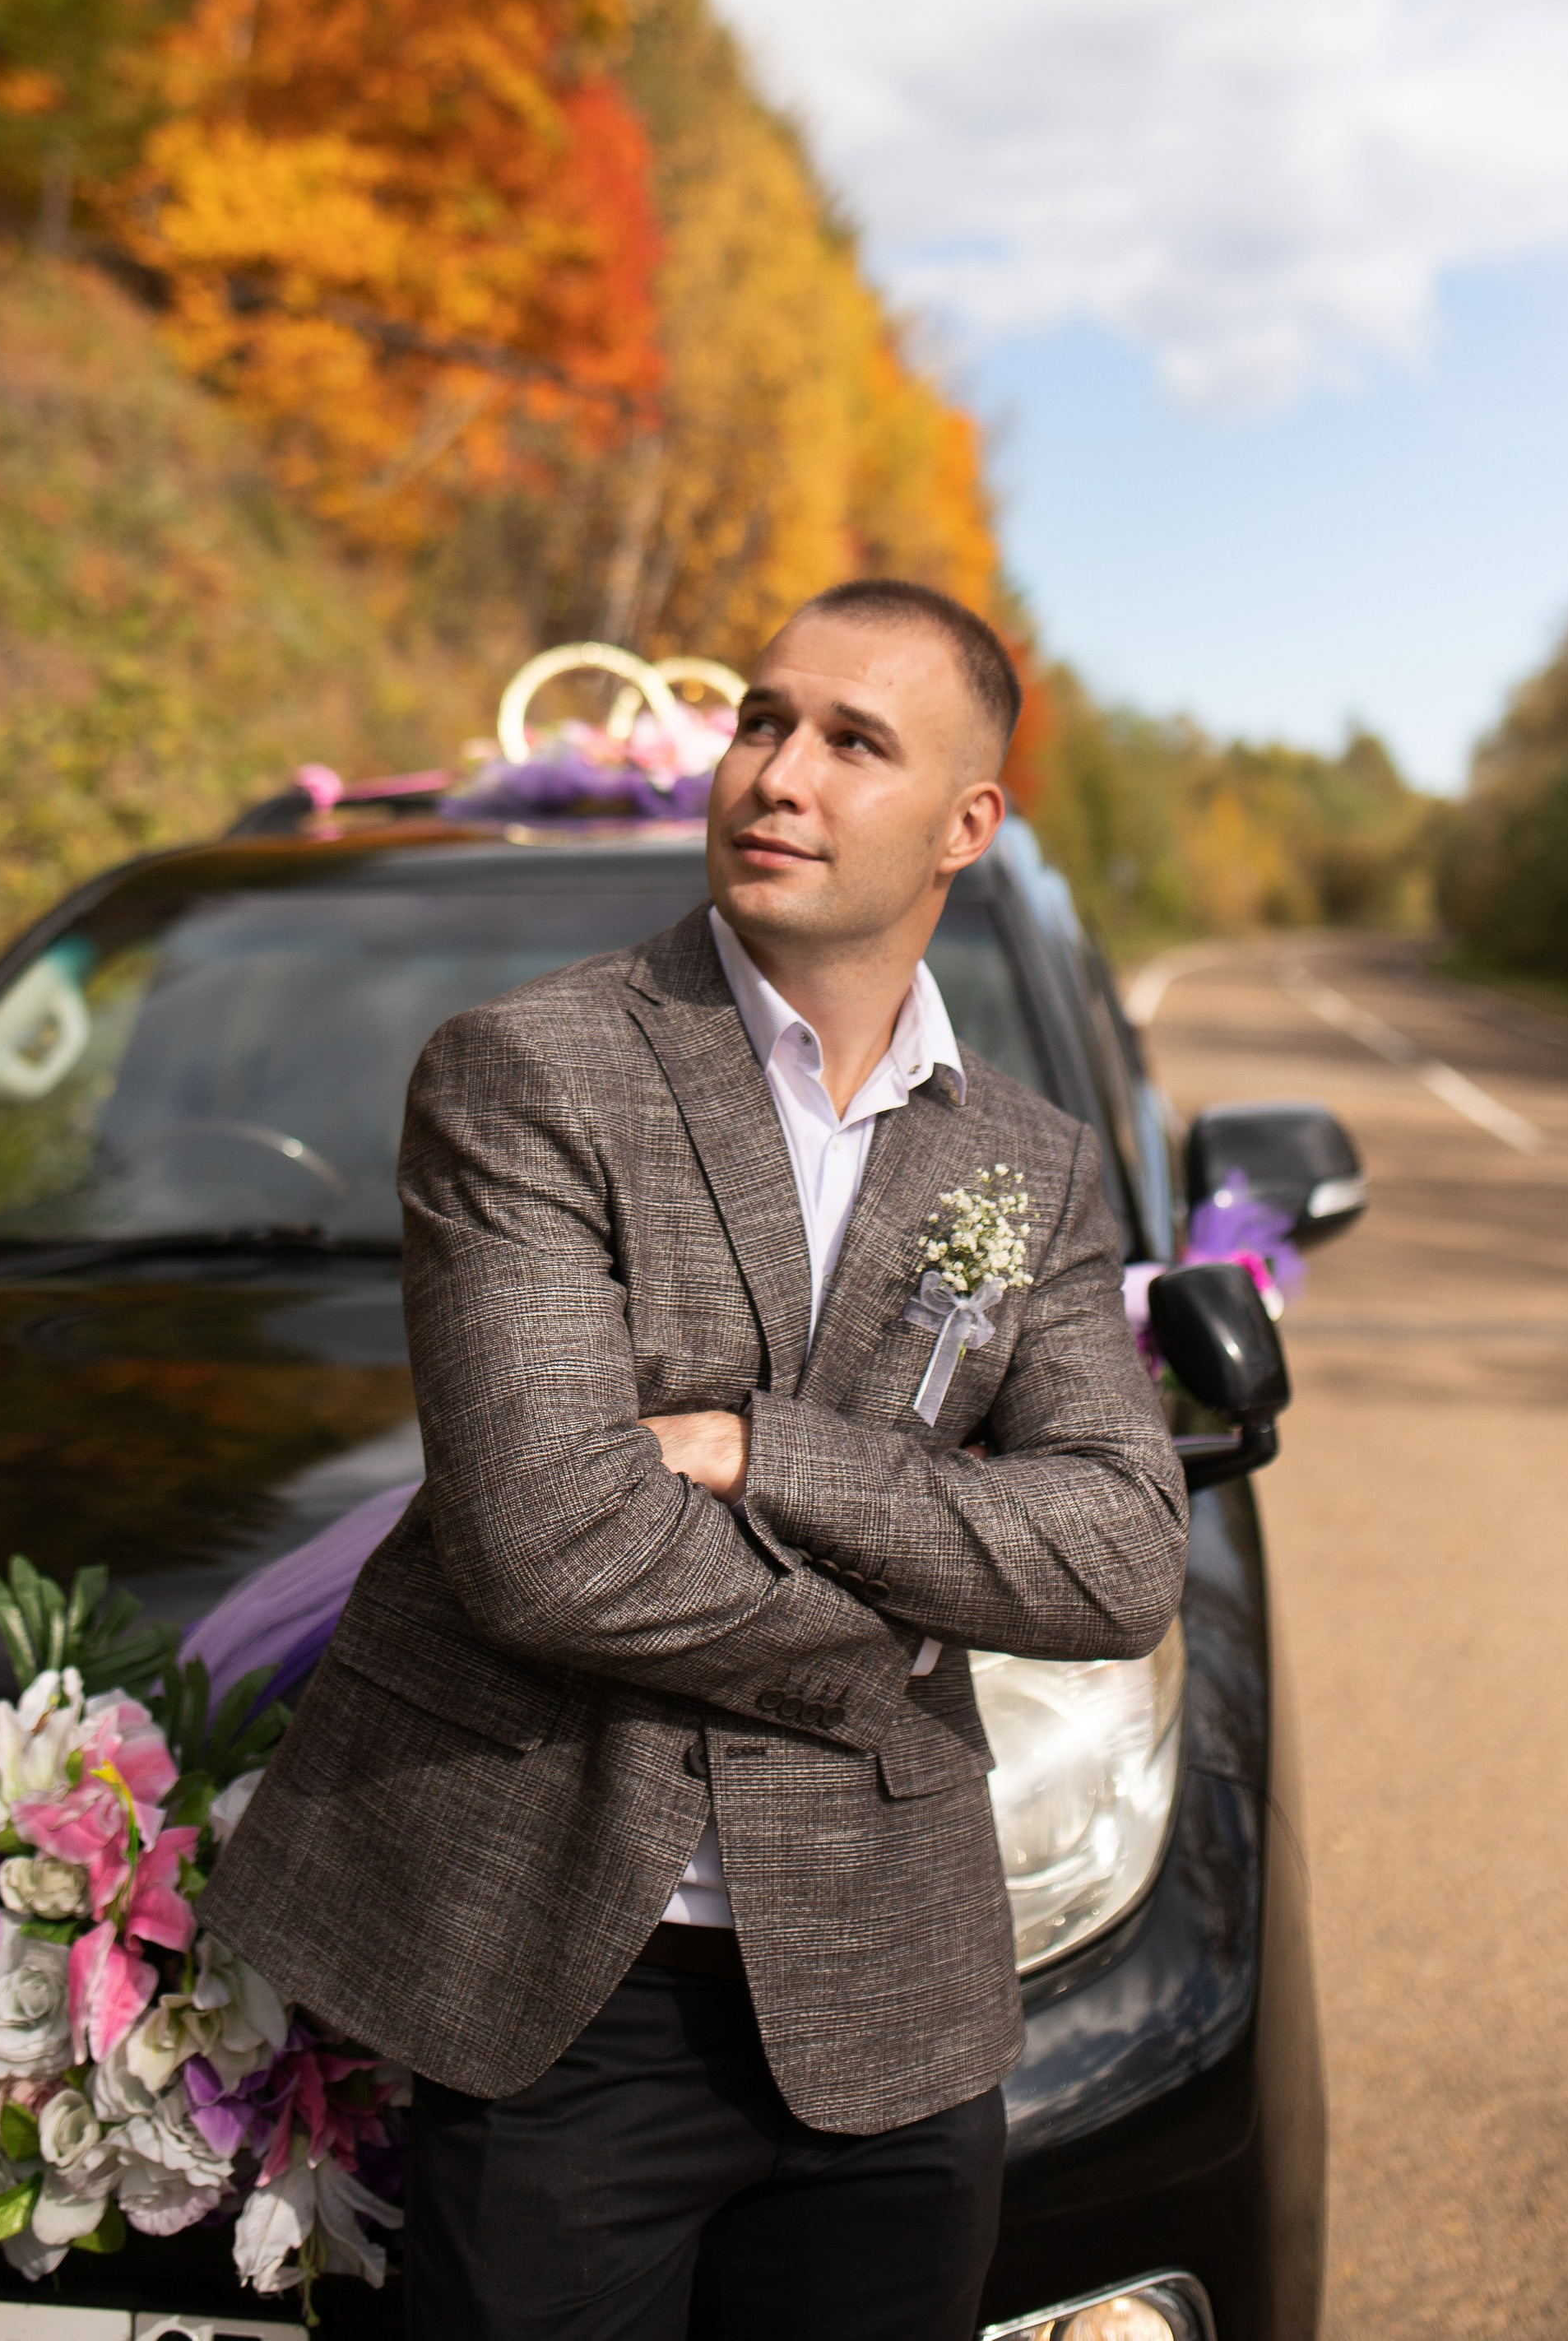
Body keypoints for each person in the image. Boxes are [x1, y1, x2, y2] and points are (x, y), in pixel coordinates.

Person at [204, 578, 1189, 2340]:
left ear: (967, 822)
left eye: (851, 742)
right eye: (759, 720)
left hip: (894, 1998)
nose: (775, 774)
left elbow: (1118, 1553)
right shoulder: (535, 1074)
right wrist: (911, 1628)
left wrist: (764, 1455)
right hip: (573, 1984)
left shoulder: (1026, 1166)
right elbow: (552, 1543)